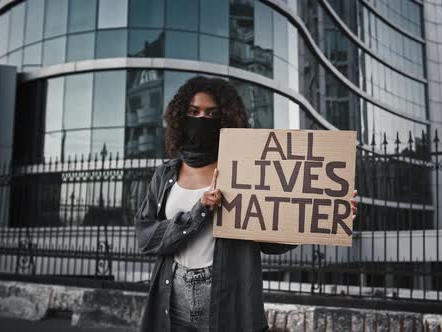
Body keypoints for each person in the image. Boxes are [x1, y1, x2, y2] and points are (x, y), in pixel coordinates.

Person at [134, 76, 358, 331]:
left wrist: (320, 213)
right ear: (180, 117)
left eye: (211, 113)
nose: (201, 119)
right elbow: (145, 237)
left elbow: (268, 241)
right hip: (172, 296)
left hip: (225, 298)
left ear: (225, 119)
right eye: (194, 112)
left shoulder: (242, 169)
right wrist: (198, 213)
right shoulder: (166, 174)